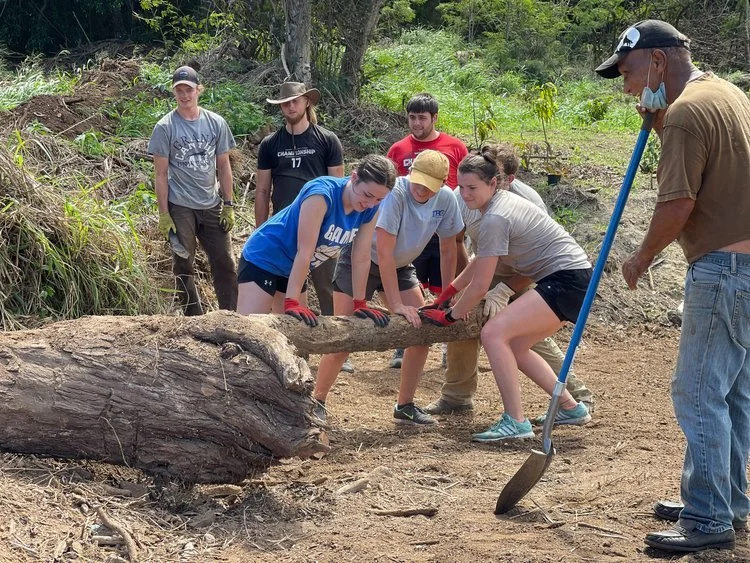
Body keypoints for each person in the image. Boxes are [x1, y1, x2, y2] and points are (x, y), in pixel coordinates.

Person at [596, 19, 750, 553]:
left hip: (723, 267)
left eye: (629, 72)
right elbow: (713, 167)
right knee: (732, 392)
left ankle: (708, 518)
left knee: (698, 391)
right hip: (744, 266)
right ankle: (727, 501)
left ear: (658, 61)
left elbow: (679, 201)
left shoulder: (686, 113)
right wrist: (660, 121)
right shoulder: (725, 94)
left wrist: (641, 257)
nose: (627, 87)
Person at [419, 145, 593, 442]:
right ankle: (570, 407)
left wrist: (450, 316)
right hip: (570, 279)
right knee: (517, 345)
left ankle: (515, 421)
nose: (465, 195)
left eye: (473, 188)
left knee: (493, 334)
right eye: (461, 187)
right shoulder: (495, 206)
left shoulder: (495, 217)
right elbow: (478, 264)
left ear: (493, 183)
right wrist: (446, 295)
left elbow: (480, 285)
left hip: (566, 279)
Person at [312, 150, 463, 425]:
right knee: (343, 337)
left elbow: (448, 249)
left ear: (443, 183)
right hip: (361, 260)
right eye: (418, 181)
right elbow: (383, 253)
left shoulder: (447, 199)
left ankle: (405, 405)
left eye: (429, 185)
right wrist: (395, 305)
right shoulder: (395, 194)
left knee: (421, 332)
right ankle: (316, 402)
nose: (421, 189)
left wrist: (445, 295)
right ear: (411, 173)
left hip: (401, 265)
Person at [237, 155, 396, 332]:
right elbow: (305, 250)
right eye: (368, 195)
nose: (370, 204)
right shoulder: (321, 194)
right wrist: (291, 302)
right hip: (265, 257)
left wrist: (359, 302)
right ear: (354, 177)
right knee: (250, 330)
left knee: (296, 334)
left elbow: (361, 257)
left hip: (292, 268)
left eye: (379, 199)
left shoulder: (370, 208)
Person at [255, 82, 351, 370]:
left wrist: (337, 228)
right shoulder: (270, 144)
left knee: (327, 287)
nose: (290, 107)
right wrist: (261, 230)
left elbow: (339, 187)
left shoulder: (327, 140)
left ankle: (336, 349)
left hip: (322, 228)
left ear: (307, 102)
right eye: (285, 103)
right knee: (288, 290)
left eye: (295, 101)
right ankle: (297, 348)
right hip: (284, 230)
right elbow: (262, 190)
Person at [386, 93, 468, 368]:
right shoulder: (398, 149)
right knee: (413, 289)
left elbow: (465, 182)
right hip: (409, 233)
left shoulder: (455, 147)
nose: (417, 123)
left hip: (445, 227)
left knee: (447, 287)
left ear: (434, 118)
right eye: (412, 118)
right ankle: (403, 345)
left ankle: (447, 346)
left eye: (422, 118)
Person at [148, 65, 237, 316]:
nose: (184, 95)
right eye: (179, 90)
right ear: (173, 92)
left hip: (211, 203)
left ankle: (231, 316)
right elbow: (160, 174)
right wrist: (164, 214)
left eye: (189, 89)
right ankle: (193, 318)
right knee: (183, 263)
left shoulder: (216, 123)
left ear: (199, 90)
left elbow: (223, 166)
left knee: (225, 262)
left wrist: (228, 204)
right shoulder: (165, 127)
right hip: (181, 206)